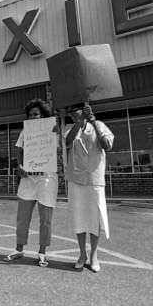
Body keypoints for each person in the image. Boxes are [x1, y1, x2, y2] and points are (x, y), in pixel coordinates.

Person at [5, 99, 58, 267]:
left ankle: (42, 252)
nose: (33, 117)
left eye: (36, 114)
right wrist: (19, 166)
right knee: (22, 217)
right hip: (28, 178)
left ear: (43, 115)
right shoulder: (24, 132)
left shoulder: (53, 130)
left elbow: (59, 148)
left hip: (46, 178)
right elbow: (19, 151)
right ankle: (19, 248)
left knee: (45, 219)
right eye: (30, 115)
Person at [65, 103, 114, 273]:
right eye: (70, 112)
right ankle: (82, 254)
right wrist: (78, 123)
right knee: (79, 218)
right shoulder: (71, 128)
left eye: (75, 110)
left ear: (84, 110)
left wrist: (94, 124)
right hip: (76, 179)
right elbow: (66, 142)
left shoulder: (99, 125)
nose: (72, 114)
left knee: (94, 218)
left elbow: (107, 145)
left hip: (94, 179)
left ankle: (94, 255)